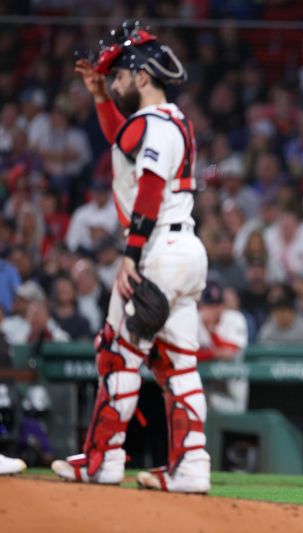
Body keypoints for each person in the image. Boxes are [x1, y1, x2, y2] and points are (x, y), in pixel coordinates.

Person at [51, 20, 211, 493]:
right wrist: (100, 96)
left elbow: (149, 188)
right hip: (186, 250)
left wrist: (131, 255)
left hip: (157, 247)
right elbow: (123, 142)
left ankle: (103, 461)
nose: (115, 82)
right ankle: (190, 467)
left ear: (143, 77)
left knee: (117, 356)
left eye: (119, 76)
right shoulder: (171, 119)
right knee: (178, 364)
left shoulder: (153, 123)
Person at [197, 280, 249, 414]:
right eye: (208, 306)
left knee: (237, 409)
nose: (213, 310)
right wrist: (215, 353)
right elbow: (189, 354)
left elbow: (232, 352)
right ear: (201, 306)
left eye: (217, 305)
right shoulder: (195, 319)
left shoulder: (235, 318)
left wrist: (211, 332)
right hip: (206, 382)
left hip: (232, 382)